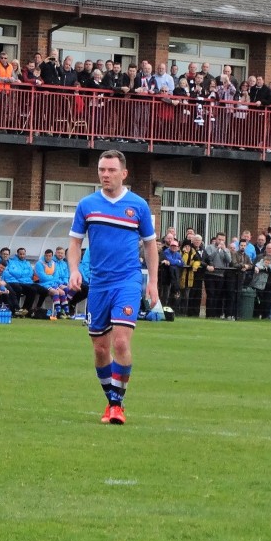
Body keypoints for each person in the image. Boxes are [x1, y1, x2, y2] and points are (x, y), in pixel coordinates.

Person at [68, 150, 158, 426]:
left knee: (120, 341)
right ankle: (111, 400)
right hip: (99, 284)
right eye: (101, 170)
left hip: (128, 281)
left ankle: (117, 406)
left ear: (123, 173)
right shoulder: (87, 205)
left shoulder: (138, 206)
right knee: (99, 349)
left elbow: (150, 245)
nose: (105, 175)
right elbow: (74, 242)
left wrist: (152, 281)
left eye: (110, 170)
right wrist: (74, 270)